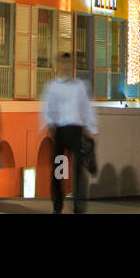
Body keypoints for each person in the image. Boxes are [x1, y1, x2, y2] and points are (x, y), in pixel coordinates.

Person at [41, 52, 97, 214]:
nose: (66, 67)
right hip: (60, 132)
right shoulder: (52, 86)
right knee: (59, 170)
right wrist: (50, 124)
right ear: (58, 65)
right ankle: (58, 205)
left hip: (75, 130)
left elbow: (86, 107)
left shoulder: (79, 86)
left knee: (79, 170)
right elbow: (48, 108)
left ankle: (78, 206)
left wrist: (91, 128)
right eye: (63, 63)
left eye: (68, 63)